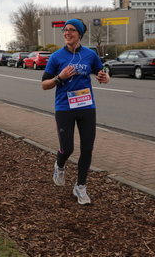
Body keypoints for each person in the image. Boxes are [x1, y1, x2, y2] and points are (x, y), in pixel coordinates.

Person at [41, 18, 109, 205]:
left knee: (87, 148)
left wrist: (104, 77)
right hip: (64, 108)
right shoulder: (56, 57)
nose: (67, 33)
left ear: (79, 34)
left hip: (86, 106)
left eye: (71, 30)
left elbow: (102, 73)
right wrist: (59, 78)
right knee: (68, 148)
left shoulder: (89, 55)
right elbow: (44, 85)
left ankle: (80, 187)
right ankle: (60, 165)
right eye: (65, 30)